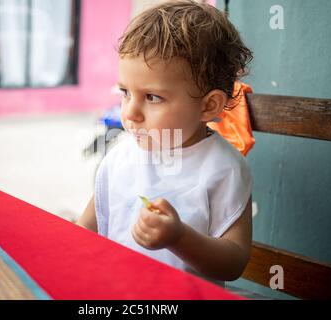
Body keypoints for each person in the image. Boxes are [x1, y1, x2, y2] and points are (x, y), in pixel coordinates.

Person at [77, 0, 253, 286]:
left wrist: (179, 238)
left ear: (209, 106)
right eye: (125, 92)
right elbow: (83, 231)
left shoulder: (224, 168)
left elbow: (233, 263)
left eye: (153, 97)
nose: (130, 113)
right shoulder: (121, 155)